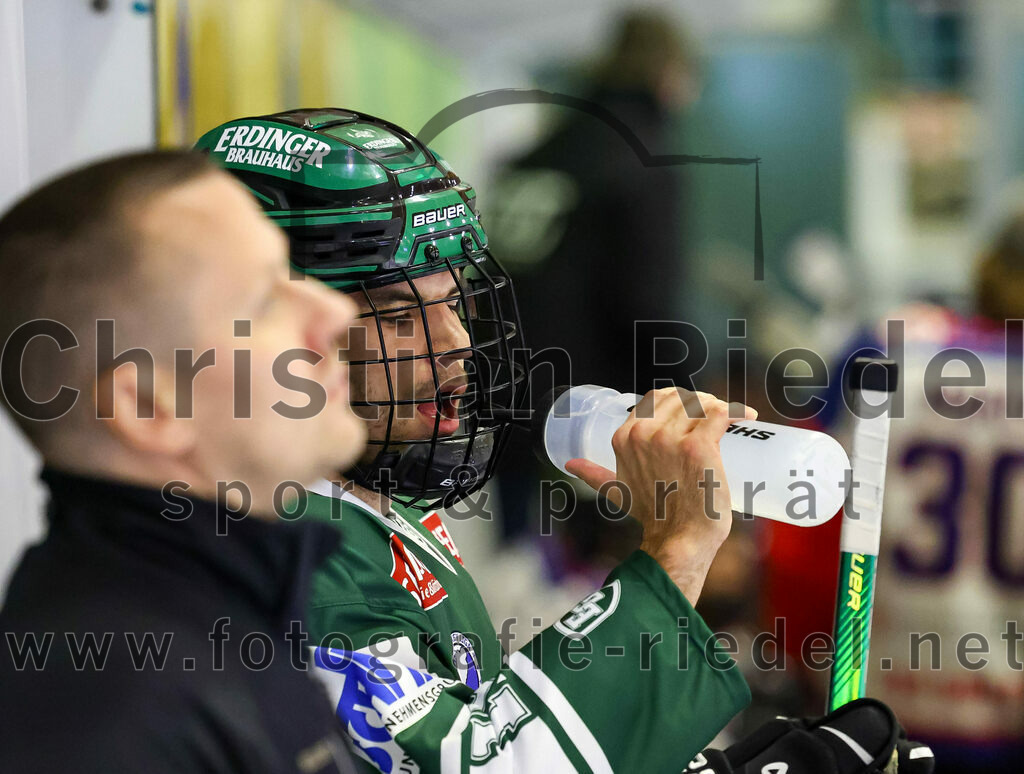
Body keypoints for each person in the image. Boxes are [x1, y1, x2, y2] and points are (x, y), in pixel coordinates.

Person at [200, 108, 933, 774]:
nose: (456, 340)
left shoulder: (378, 497)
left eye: (453, 298)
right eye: (399, 316)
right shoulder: (289, 547)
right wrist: (675, 552)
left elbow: (485, 723)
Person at [0, 151, 364, 773]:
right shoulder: (103, 717)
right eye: (263, 302)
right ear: (148, 408)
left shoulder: (214, 619)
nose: (336, 313)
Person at [764, 210, 1024, 773]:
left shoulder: (883, 357)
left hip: (883, 717)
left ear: (985, 268)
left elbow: (800, 539)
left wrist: (817, 679)